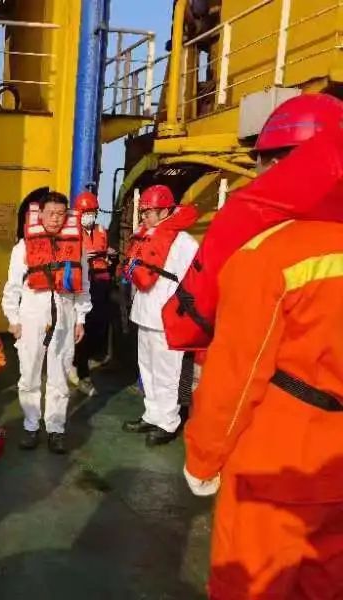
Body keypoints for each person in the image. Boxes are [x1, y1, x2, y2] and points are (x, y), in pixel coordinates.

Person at [184, 95, 343, 598]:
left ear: (279, 164)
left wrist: (203, 460)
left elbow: (234, 377)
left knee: (250, 585)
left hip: (275, 469)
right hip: (336, 466)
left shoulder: (267, 256)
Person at [1, 190, 91, 454]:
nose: (55, 219)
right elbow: (12, 287)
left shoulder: (77, 247)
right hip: (31, 317)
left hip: (64, 318)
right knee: (29, 374)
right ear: (40, 214)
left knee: (59, 376)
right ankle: (31, 426)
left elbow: (83, 287)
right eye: (50, 213)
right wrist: (13, 318)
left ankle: (55, 429)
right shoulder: (23, 247)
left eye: (60, 214)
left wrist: (80, 319)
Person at [122, 185, 198, 446]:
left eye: (149, 212)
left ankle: (168, 422)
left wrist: (184, 312)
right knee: (147, 369)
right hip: (144, 313)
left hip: (168, 318)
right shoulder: (144, 235)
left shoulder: (184, 242)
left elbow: (194, 280)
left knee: (167, 373)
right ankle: (152, 414)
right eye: (142, 212)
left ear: (165, 210)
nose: (144, 216)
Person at [69, 191, 117, 396]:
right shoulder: (71, 233)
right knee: (82, 330)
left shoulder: (101, 231)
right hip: (83, 283)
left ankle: (82, 361)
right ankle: (81, 372)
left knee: (99, 326)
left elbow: (108, 253)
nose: (90, 216)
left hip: (101, 283)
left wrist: (109, 256)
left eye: (93, 212)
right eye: (86, 212)